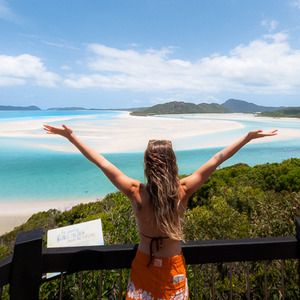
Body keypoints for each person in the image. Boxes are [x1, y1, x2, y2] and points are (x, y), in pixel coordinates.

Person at [43, 124, 277, 299]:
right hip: (172, 266)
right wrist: (247, 137)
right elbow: (218, 158)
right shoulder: (182, 190)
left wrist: (71, 136)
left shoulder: (137, 192)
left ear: (147, 165)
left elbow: (102, 163)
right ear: (173, 163)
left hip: (143, 264)